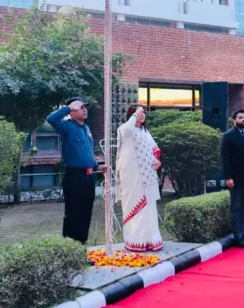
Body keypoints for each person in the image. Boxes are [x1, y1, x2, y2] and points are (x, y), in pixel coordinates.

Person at [47, 97, 106, 244]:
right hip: (75, 178)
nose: (85, 109)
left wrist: (97, 166)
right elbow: (51, 119)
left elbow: (87, 153)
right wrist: (68, 108)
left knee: (86, 214)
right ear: (72, 112)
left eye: (85, 106)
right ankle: (70, 252)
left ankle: (81, 249)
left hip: (88, 178)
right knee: (74, 215)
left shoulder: (86, 128)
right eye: (80, 107)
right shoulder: (67, 126)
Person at [115, 105, 163, 252]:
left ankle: (151, 240)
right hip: (132, 177)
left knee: (149, 208)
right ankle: (136, 241)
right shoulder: (126, 130)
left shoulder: (145, 132)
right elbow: (128, 128)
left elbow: (154, 151)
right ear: (132, 115)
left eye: (143, 112)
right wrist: (134, 115)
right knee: (136, 206)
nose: (142, 115)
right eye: (139, 112)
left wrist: (158, 162)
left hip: (147, 177)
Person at [221, 109, 244, 249]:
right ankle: (237, 237)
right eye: (240, 117)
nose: (243, 119)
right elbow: (225, 159)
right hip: (235, 178)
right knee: (236, 207)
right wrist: (228, 177)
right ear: (234, 120)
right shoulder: (228, 136)